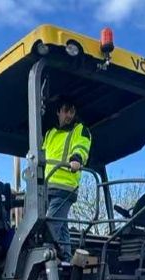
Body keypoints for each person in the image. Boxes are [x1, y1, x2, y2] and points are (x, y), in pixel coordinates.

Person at [41, 97, 92, 262]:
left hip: (65, 187)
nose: (69, 115)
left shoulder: (80, 129)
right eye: (66, 111)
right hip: (48, 185)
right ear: (58, 112)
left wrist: (77, 159)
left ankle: (42, 260)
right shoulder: (50, 133)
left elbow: (81, 146)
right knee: (61, 228)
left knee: (49, 227)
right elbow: (42, 155)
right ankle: (68, 262)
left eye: (72, 111)